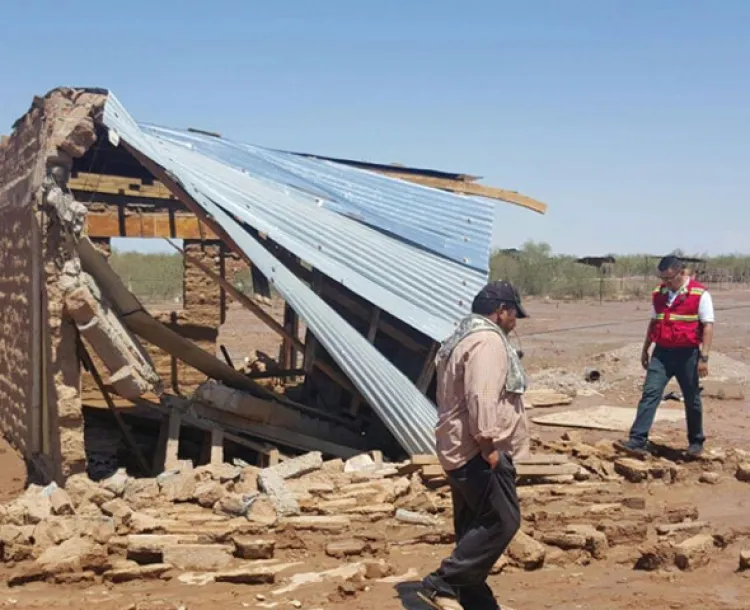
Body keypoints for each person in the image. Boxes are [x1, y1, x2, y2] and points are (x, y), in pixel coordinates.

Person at [419, 280, 530, 610]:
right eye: (513, 315)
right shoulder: (487, 341)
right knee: (502, 520)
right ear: (501, 311)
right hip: (475, 449)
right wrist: (488, 445)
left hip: (456, 445)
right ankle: (443, 582)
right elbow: (481, 395)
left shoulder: (463, 336)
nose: (515, 322)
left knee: (473, 528)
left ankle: (476, 601)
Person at [617, 255, 714, 457]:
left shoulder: (699, 293)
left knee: (691, 397)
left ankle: (696, 442)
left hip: (687, 354)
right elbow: (654, 322)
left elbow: (708, 326)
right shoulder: (659, 293)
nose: (667, 283)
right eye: (663, 279)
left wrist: (704, 358)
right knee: (650, 393)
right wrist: (645, 349)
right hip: (661, 353)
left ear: (682, 272)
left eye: (670, 278)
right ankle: (637, 440)